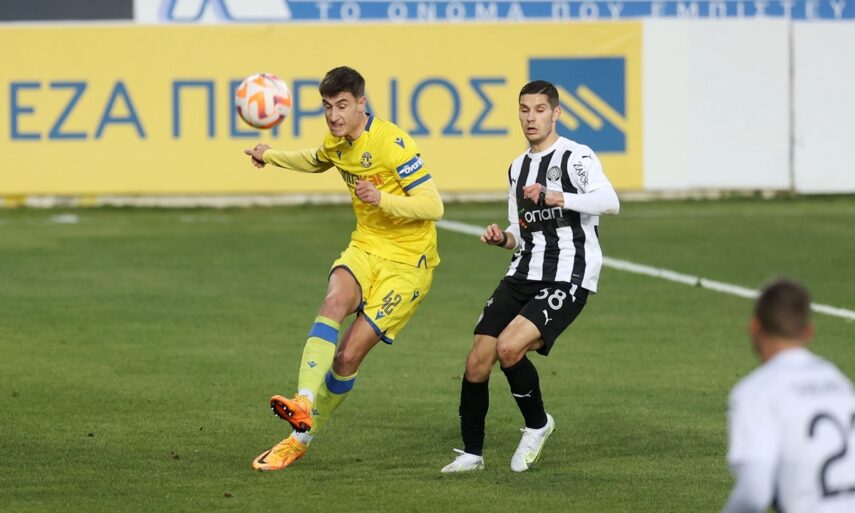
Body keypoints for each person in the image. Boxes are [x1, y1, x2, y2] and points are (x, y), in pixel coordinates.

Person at [244, 66, 443, 471]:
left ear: (361, 104)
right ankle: (303, 401)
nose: (333, 116)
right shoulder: (336, 142)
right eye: (327, 107)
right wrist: (270, 155)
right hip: (365, 247)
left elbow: (433, 205)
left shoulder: (393, 144)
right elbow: (315, 159)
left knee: (347, 358)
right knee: (333, 301)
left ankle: (301, 439)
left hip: (408, 264)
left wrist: (382, 198)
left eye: (342, 106)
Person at [440, 80, 620, 473]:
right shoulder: (517, 167)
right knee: (477, 360)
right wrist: (502, 238)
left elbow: (610, 201)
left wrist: (560, 196)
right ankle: (472, 454)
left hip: (568, 274)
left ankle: (538, 424)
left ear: (556, 113)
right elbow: (520, 230)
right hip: (523, 271)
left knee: (509, 348)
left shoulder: (575, 156)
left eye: (539, 110)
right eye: (524, 110)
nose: (531, 118)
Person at [722, 279, 855, 513]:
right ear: (809, 332)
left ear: (754, 327)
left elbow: (754, 492)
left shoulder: (756, 391)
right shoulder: (839, 382)